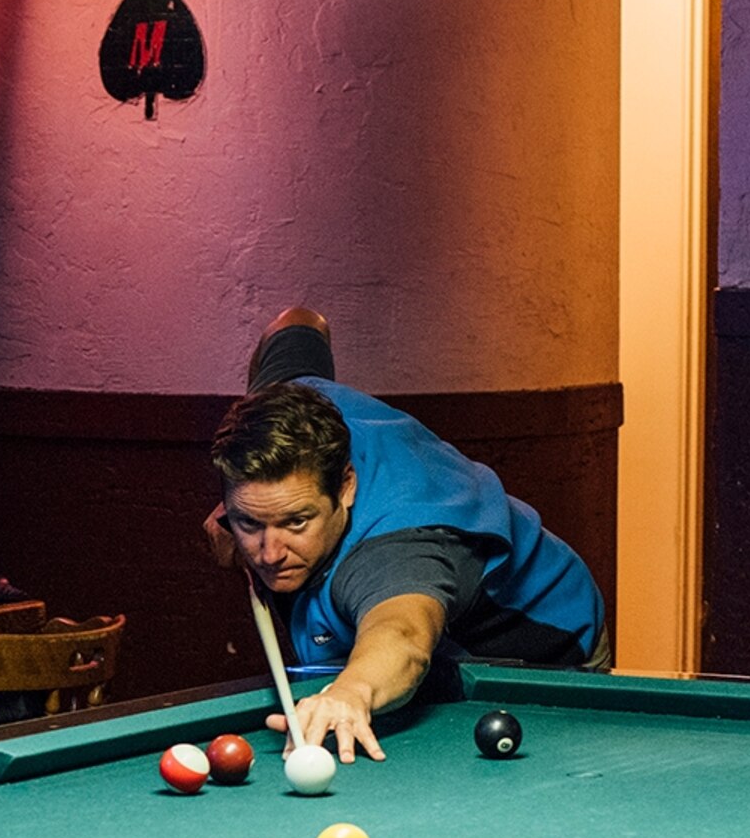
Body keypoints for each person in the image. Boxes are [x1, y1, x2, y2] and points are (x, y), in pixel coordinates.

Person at [207, 308, 606, 761]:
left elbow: (402, 636)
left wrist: (351, 692)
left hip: (540, 647)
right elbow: (299, 321)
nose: (269, 553)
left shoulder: (398, 551)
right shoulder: (285, 406)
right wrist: (237, 518)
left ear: (346, 486)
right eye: (251, 523)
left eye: (296, 521)